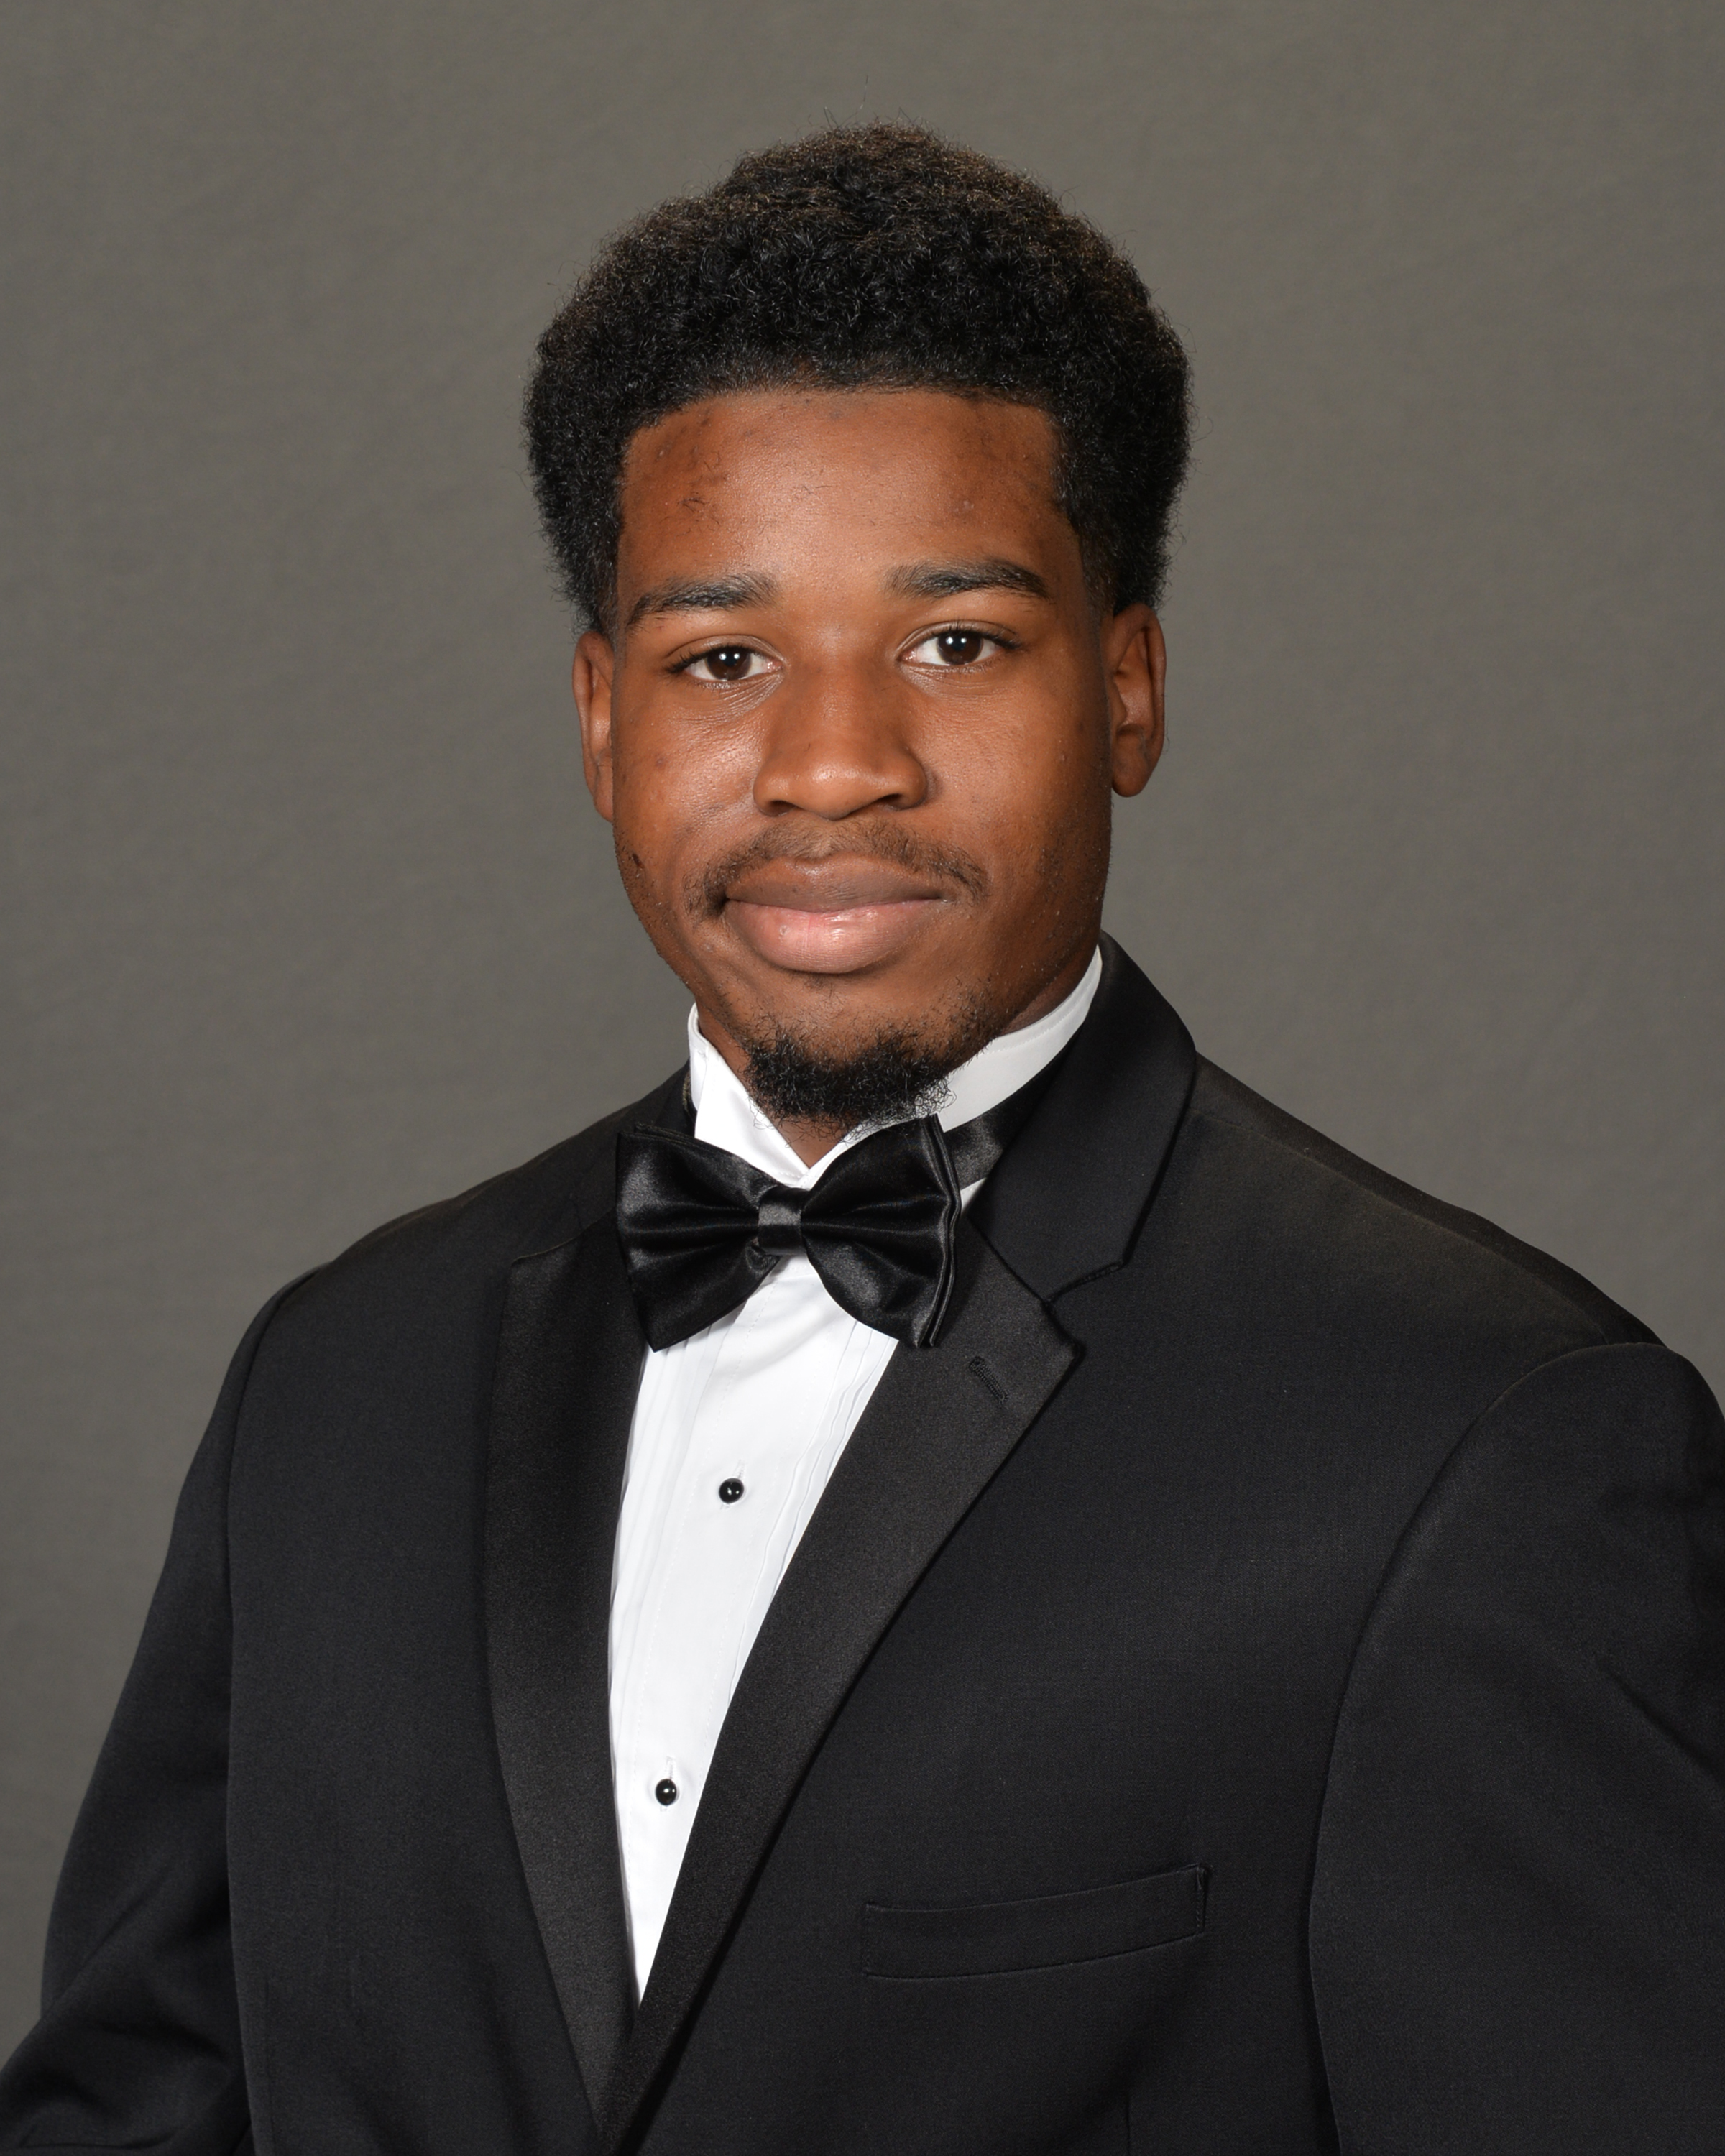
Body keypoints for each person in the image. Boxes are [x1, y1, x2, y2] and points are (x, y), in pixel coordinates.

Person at [2, 121, 1720, 2156]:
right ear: (602, 720)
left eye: (954, 644)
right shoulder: (332, 1386)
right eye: (723, 660)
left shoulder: (1486, 1442)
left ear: (1130, 688)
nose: (832, 766)